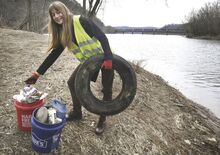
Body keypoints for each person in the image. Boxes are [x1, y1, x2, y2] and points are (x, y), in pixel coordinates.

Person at [25, 1, 114, 135]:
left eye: (58, 12)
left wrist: (108, 58)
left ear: (65, 11)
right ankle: (77, 113)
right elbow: (54, 55)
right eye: (53, 14)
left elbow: (102, 37)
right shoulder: (63, 33)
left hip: (105, 57)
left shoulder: (81, 21)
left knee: (106, 90)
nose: (56, 16)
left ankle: (102, 119)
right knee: (72, 82)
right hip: (88, 61)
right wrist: (38, 73)